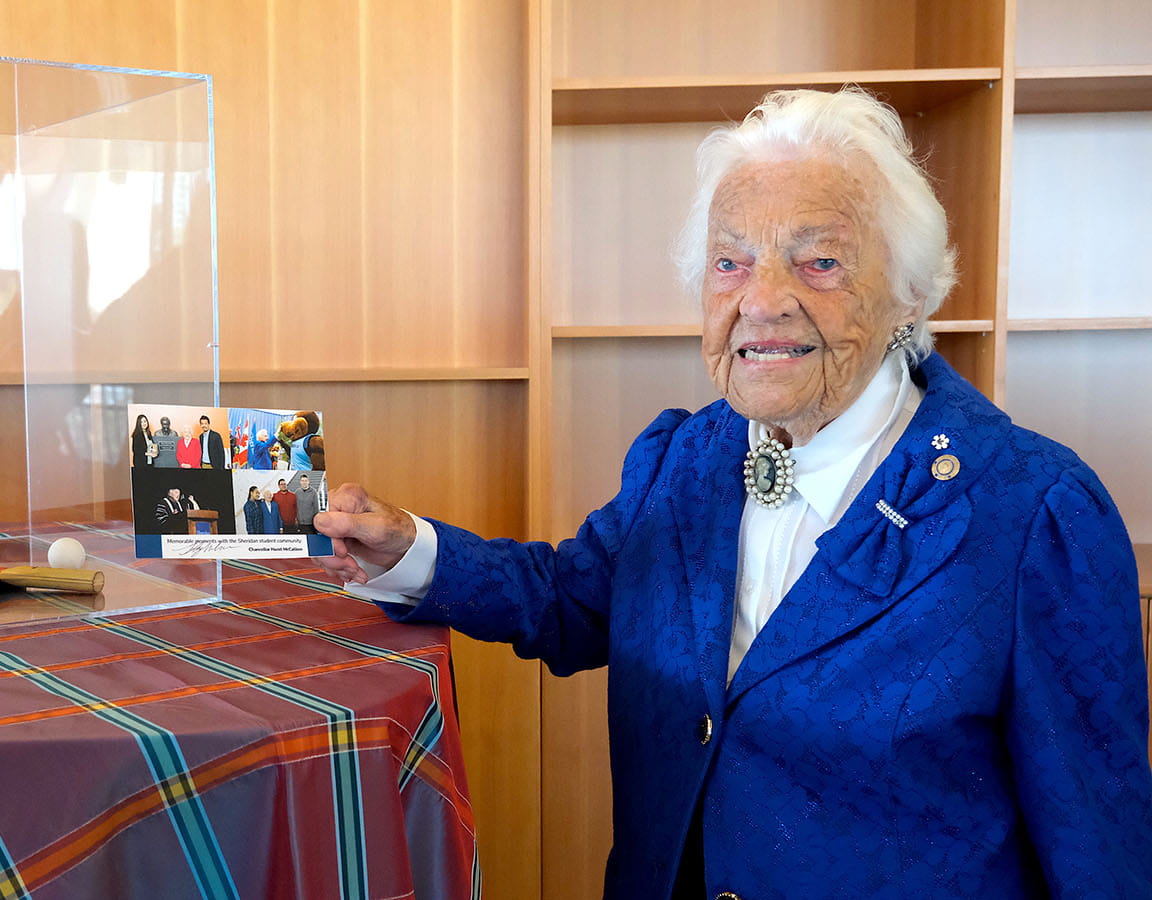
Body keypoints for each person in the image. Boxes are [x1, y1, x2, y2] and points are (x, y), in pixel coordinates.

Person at [314, 88, 1152, 898]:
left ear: (912, 293)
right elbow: (575, 600)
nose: (762, 301)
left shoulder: (1034, 512)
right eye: (730, 262)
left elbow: (1098, 844)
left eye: (818, 260)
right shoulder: (690, 453)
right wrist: (411, 550)